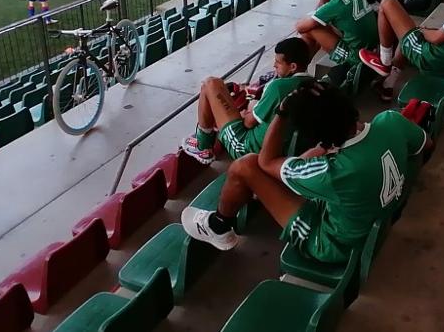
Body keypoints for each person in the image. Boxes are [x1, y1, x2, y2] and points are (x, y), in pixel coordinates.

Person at [181, 81, 429, 262]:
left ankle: (218, 225)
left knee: (245, 165)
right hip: (369, 210)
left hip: (334, 243)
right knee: (289, 166)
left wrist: (281, 113)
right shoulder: (390, 120)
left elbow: (265, 163)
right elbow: (425, 144)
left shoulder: (335, 171)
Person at [183, 37, 313, 165]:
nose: (274, 65)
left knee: (210, 83)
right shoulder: (314, 84)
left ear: (293, 66)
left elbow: (249, 123)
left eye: (278, 63)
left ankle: (203, 146)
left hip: (248, 148)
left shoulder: (278, 87)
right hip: (283, 148)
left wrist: (244, 115)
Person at [295, 0, 379, 67]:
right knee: (320, 24)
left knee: (311, 29)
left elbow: (300, 27)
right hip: (372, 49)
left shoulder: (335, 4)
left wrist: (305, 20)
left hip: (356, 57)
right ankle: (302, 68)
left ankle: (299, 69)